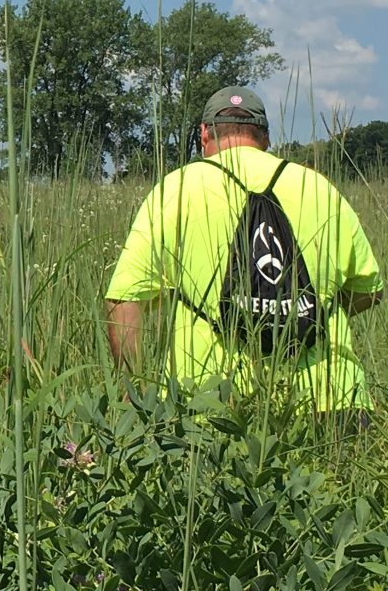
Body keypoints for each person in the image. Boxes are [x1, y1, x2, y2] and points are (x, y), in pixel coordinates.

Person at [105, 86, 384, 417]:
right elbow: (369, 291)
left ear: (204, 133)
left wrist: (130, 391)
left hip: (208, 409)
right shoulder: (319, 187)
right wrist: (297, 314)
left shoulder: (176, 189)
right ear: (265, 138)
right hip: (330, 401)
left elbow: (123, 301)